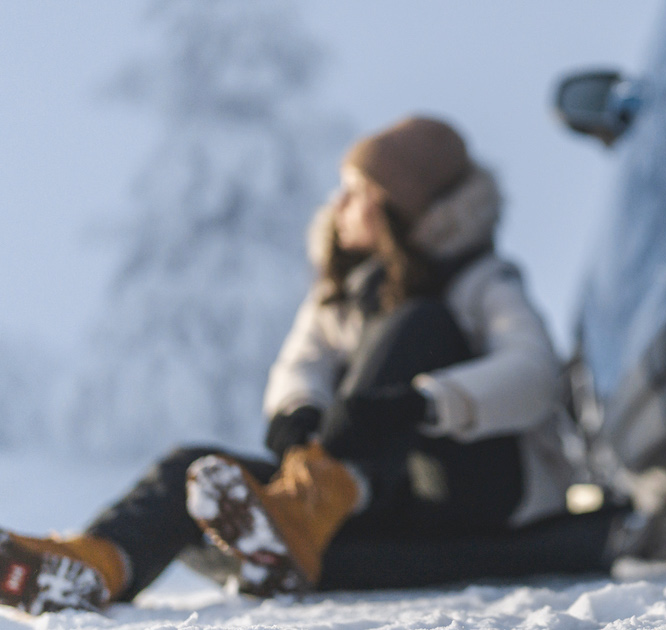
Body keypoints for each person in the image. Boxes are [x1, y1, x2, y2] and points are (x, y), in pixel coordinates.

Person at [0, 117, 623, 615]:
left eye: (358, 190)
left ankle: (303, 510)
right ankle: (96, 566)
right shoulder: (341, 296)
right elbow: (302, 363)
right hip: (372, 512)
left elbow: (533, 375)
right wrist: (297, 409)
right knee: (198, 470)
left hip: (481, 497)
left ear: (401, 209)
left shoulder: (482, 282)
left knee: (418, 326)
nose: (339, 202)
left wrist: (427, 403)